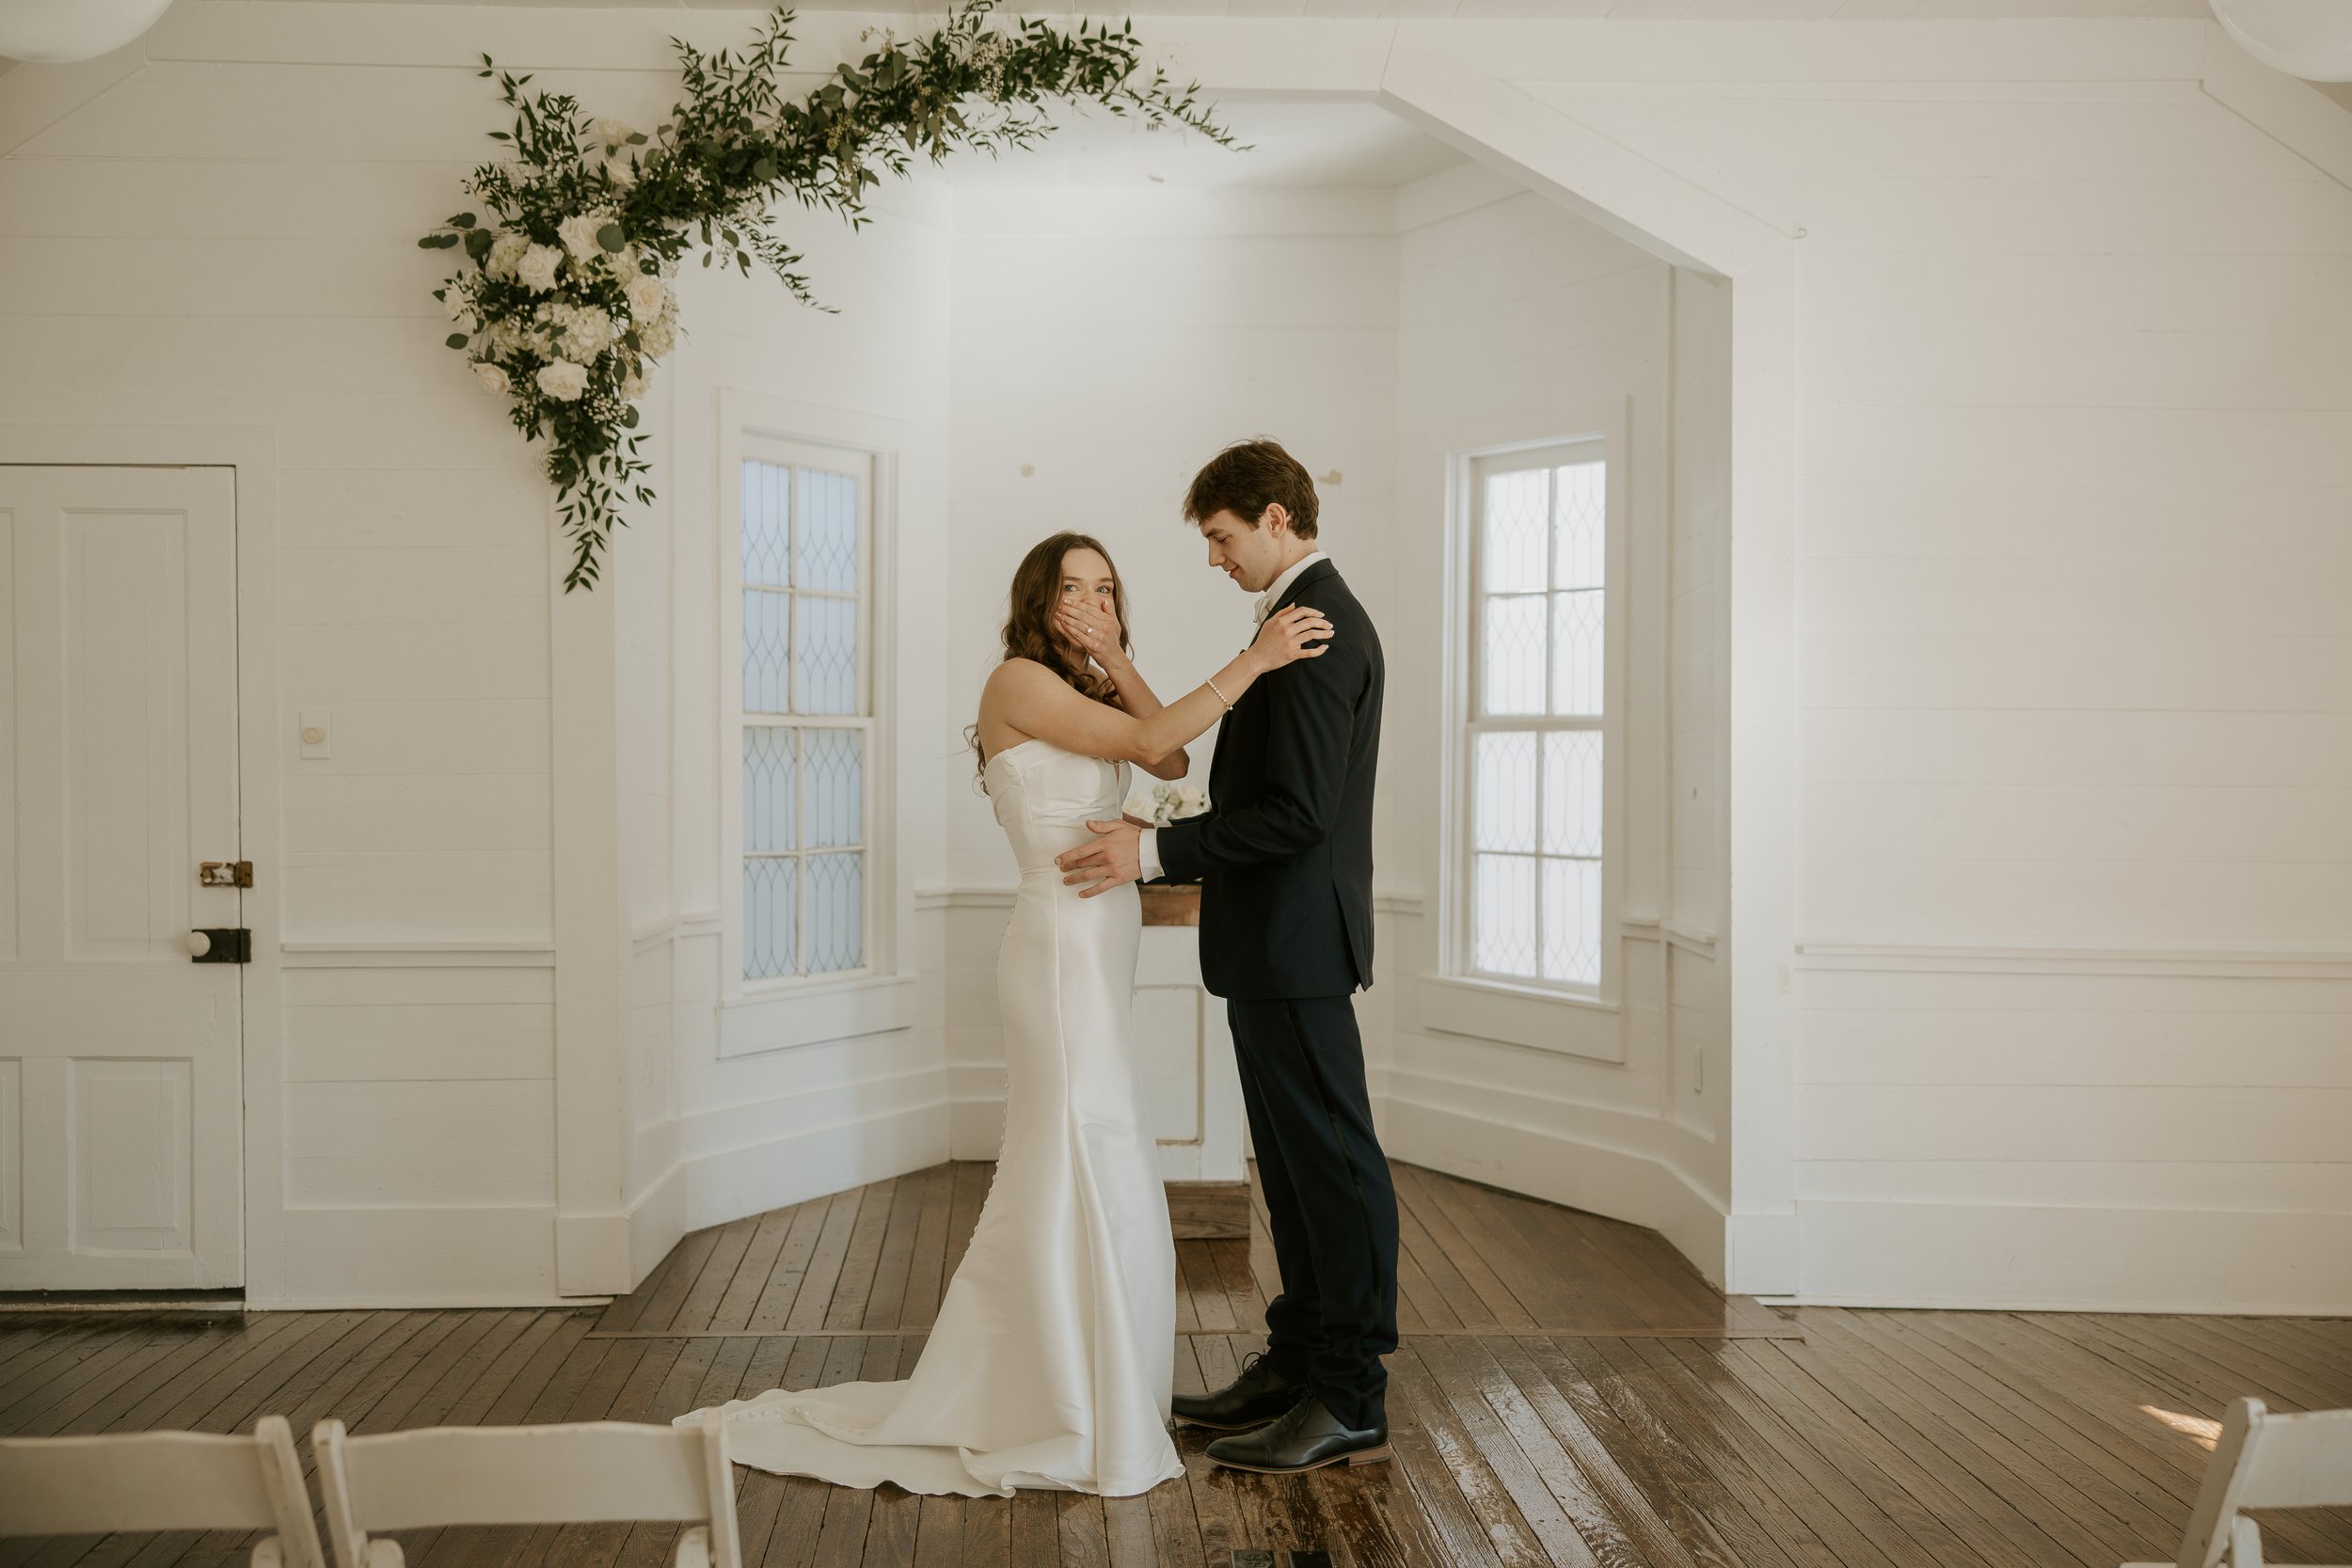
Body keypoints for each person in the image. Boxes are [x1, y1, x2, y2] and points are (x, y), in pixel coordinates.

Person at [677, 529, 1332, 1497]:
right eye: (1073, 588)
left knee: (1100, 1147)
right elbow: (1157, 746)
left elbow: (1172, 750)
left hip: (1102, 938)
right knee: (1079, 1142)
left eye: (1105, 588)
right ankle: (1057, 1394)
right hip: (1057, 947)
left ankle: (1101, 1386)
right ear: (1038, 596)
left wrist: (1117, 653)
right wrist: (1260, 654)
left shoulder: (1089, 681)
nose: (1090, 603)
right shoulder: (1017, 683)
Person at [1056, 438, 1397, 1476]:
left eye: (1220, 537)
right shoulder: (1286, 625)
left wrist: (1153, 847)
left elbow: (1294, 813)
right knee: (1289, 1171)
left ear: (1277, 518)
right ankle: (1295, 1363)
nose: (1214, 557)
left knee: (1333, 1168)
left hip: (1297, 945)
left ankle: (1348, 1394)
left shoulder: (1318, 630)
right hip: (1269, 945)